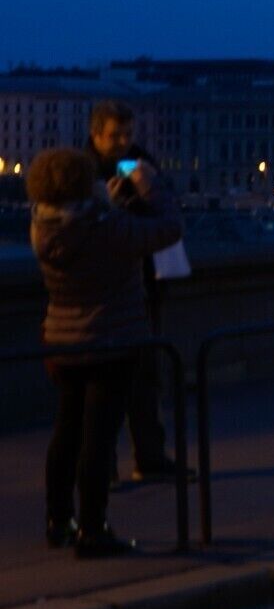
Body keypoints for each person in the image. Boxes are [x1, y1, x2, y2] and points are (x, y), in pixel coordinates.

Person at [29, 147, 183, 557]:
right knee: (98, 440)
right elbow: (167, 229)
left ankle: (59, 520)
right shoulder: (107, 228)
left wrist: (108, 203)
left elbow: (84, 227)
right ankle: (94, 529)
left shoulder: (43, 228)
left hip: (63, 342)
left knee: (66, 432)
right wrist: (148, 184)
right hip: (111, 342)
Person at [87, 99, 183, 484]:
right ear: (96, 134)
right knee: (104, 385)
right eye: (115, 135)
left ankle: (150, 454)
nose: (123, 142)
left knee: (145, 375)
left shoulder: (142, 161)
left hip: (143, 282)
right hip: (106, 288)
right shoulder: (82, 170)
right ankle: (103, 465)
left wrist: (149, 191)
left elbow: (165, 212)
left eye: (128, 134)